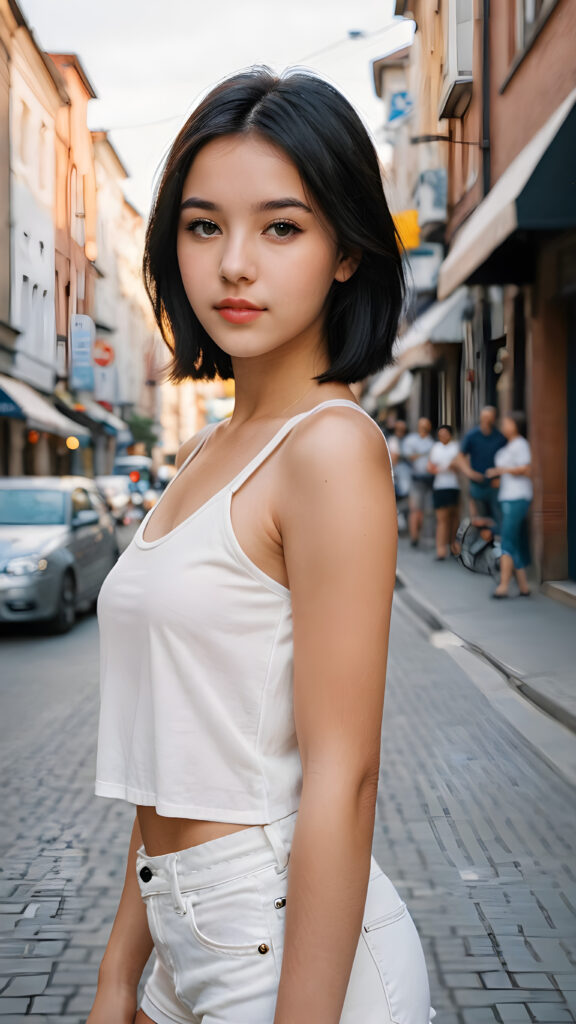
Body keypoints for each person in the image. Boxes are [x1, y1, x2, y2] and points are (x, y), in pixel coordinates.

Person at [88, 68, 435, 1024]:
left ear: (347, 252)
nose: (234, 264)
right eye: (205, 226)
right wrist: (120, 975)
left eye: (280, 226)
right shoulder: (207, 449)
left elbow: (344, 776)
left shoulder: (329, 449)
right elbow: (174, 751)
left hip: (287, 951)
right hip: (180, 931)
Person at [485, 411, 532, 598]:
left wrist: (500, 470)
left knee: (507, 539)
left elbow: (526, 469)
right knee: (514, 542)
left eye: (507, 423)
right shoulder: (509, 446)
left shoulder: (521, 444)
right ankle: (524, 586)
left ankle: (504, 585)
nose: (503, 426)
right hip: (507, 496)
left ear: (516, 425)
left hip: (518, 497)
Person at [455, 406, 506, 524]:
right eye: (484, 417)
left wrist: (501, 477)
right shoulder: (472, 436)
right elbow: (460, 456)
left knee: (497, 519)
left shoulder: (500, 437)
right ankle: (481, 542)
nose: (487, 420)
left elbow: (508, 458)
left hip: (494, 485)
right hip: (477, 484)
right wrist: (470, 473)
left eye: (489, 417)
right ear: (480, 418)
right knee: (479, 520)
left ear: (494, 418)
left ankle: (495, 542)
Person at [427, 424, 461, 560]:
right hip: (440, 486)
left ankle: (453, 545)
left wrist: (445, 467)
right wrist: (446, 467)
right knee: (442, 519)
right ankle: (440, 549)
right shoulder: (436, 448)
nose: (443, 436)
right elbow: (430, 467)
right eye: (440, 434)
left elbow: (458, 465)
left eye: (445, 433)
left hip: (454, 485)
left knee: (453, 518)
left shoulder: (456, 447)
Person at [404, 417, 434, 547]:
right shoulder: (411, 440)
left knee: (424, 511)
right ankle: (414, 537)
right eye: (422, 425)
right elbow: (409, 456)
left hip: (429, 479)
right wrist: (423, 454)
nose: (424, 428)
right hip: (416, 478)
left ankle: (419, 534)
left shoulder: (431, 442)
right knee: (415, 509)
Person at [388, 419, 411, 533]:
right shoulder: (393, 440)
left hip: (408, 475)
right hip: (398, 475)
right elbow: (394, 459)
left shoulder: (408, 440)